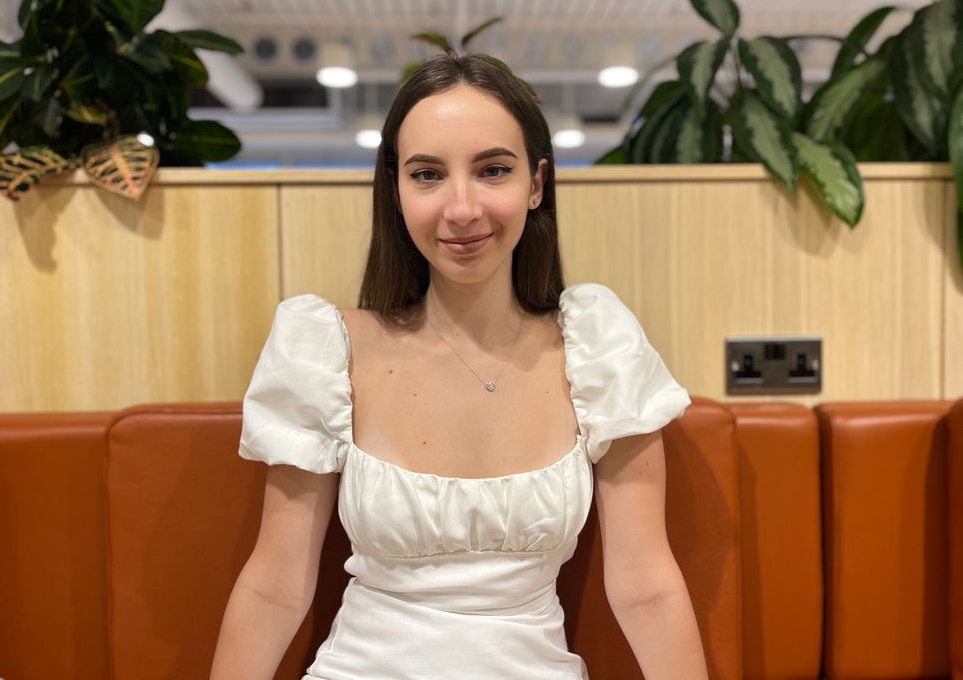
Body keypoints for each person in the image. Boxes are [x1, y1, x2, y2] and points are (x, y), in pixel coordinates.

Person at [210, 53, 708, 680]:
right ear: (396, 190)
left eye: (493, 170)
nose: (463, 207)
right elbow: (275, 587)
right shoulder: (325, 348)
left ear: (536, 184)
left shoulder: (598, 346)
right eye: (427, 175)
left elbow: (647, 586)